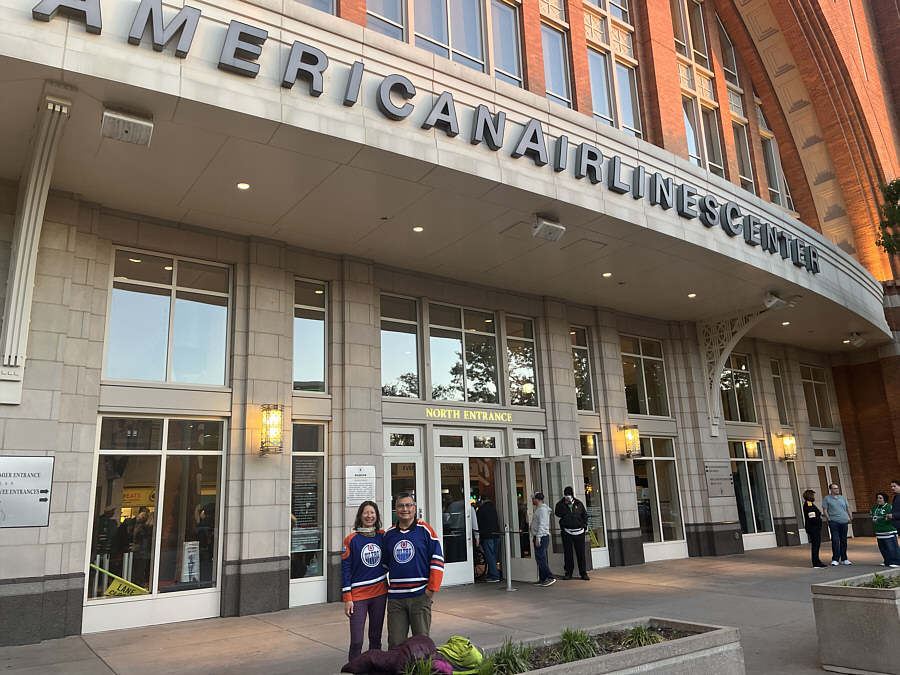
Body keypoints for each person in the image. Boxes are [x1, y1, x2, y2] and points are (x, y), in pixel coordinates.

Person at [382, 492, 444, 649]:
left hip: (420, 596)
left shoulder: (426, 531)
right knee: (395, 643)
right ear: (395, 509)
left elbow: (437, 561)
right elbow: (383, 564)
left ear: (414, 508)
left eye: (408, 505)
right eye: (401, 506)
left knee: (422, 644)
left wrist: (431, 589)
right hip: (396, 599)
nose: (405, 509)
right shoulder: (389, 534)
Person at [342, 501, 388, 662]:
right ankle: (354, 668)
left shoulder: (382, 536)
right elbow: (345, 570)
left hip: (380, 594)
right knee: (356, 642)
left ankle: (375, 668)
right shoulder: (351, 540)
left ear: (377, 516)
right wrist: (347, 598)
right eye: (366, 513)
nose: (369, 516)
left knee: (375, 638)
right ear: (360, 516)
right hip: (358, 596)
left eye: (372, 512)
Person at [555, 486, 589, 580]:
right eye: (566, 494)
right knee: (568, 553)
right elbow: (557, 513)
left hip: (579, 531)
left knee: (581, 552)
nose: (567, 496)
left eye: (568, 494)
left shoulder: (578, 503)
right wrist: (564, 504)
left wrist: (584, 525)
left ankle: (583, 572)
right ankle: (568, 572)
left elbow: (584, 515)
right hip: (567, 531)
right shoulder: (560, 504)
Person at [821, 483, 853, 565]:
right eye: (835, 488)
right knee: (835, 540)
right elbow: (825, 510)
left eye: (837, 488)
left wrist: (850, 517)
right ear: (830, 490)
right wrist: (829, 520)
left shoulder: (842, 498)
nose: (837, 490)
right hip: (834, 522)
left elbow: (847, 508)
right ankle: (835, 558)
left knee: (843, 540)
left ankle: (844, 558)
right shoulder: (827, 499)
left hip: (844, 521)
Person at [529, 492, 554, 586]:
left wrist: (538, 537)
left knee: (541, 557)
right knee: (539, 558)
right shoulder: (540, 509)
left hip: (542, 537)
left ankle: (549, 577)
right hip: (540, 536)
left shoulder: (542, 510)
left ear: (537, 499)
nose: (532, 500)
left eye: (533, 498)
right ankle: (542, 578)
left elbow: (542, 524)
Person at [870, 492, 900, 568]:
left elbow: (892, 517)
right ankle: (887, 561)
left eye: (880, 498)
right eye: (877, 498)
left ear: (885, 499)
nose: (878, 500)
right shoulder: (874, 508)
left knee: (892, 547)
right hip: (879, 532)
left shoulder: (889, 507)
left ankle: (897, 561)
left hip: (888, 531)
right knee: (883, 548)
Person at [476, 495, 500, 582]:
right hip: (496, 534)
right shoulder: (493, 508)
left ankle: (494, 575)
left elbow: (477, 521)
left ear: (482, 501)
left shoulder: (481, 509)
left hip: (487, 535)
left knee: (490, 556)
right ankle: (491, 573)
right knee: (493, 555)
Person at [802, 490, 827, 568]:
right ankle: (816, 562)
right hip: (813, 528)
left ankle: (817, 561)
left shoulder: (809, 504)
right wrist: (818, 519)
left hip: (814, 528)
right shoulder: (809, 505)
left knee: (816, 545)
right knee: (816, 545)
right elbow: (812, 517)